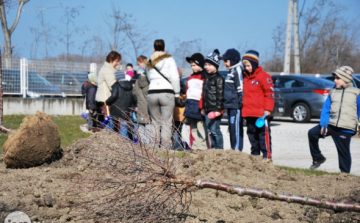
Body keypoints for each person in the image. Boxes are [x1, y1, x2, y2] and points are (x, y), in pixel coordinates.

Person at [308, 66, 360, 173]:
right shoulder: (333, 92)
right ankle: (318, 158)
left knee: (343, 153)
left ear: (345, 79)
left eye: (337, 78)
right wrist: (324, 125)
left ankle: (345, 175)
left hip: (345, 128)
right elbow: (326, 109)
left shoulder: (356, 93)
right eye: (335, 78)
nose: (335, 80)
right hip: (331, 125)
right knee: (312, 133)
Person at [145, 39, 180, 149]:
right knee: (166, 123)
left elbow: (149, 77)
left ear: (153, 48)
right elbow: (175, 77)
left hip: (152, 92)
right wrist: (177, 93)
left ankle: (154, 148)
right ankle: (165, 149)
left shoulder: (149, 60)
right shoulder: (169, 59)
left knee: (155, 122)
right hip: (167, 92)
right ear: (164, 48)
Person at [241, 50, 275, 163]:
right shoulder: (245, 78)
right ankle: (255, 155)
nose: (247, 68)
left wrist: (268, 109)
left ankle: (267, 156)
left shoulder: (264, 77)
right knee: (251, 134)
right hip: (249, 112)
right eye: (245, 66)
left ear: (254, 64)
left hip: (261, 114)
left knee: (263, 135)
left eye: (249, 65)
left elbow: (270, 94)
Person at [219, 48, 244, 151]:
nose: (224, 64)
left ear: (233, 60)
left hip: (236, 106)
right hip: (230, 105)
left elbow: (241, 88)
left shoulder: (238, 70)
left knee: (236, 129)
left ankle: (237, 150)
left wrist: (240, 103)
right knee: (231, 129)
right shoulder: (231, 71)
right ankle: (233, 149)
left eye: (226, 61)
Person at [200, 49, 224, 150]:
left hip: (215, 110)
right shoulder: (206, 79)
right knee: (209, 130)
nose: (207, 67)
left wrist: (218, 110)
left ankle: (219, 149)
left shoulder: (219, 79)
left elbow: (220, 96)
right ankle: (212, 149)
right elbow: (204, 94)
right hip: (207, 109)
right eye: (206, 65)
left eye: (210, 65)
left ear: (216, 66)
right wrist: (203, 108)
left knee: (215, 130)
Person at [183, 53, 207, 150]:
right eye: (191, 65)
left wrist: (203, 106)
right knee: (193, 128)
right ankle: (195, 146)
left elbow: (205, 92)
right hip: (190, 105)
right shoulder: (191, 77)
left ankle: (202, 146)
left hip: (199, 105)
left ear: (200, 64)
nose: (192, 67)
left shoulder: (204, 77)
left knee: (201, 127)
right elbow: (187, 90)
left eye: (194, 65)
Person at [95, 51, 121, 128]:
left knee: (107, 118)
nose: (118, 63)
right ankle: (107, 136)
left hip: (105, 97)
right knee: (108, 118)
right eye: (116, 61)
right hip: (106, 98)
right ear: (111, 60)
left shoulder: (106, 69)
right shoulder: (107, 70)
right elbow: (112, 85)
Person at [132, 55, 152, 144]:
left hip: (140, 105)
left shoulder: (138, 79)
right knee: (149, 126)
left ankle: (141, 144)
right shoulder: (151, 80)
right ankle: (149, 145)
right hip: (149, 106)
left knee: (141, 126)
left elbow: (134, 93)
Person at [173, 67, 187, 150]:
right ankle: (178, 145)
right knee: (178, 131)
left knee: (175, 131)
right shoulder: (183, 84)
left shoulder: (176, 85)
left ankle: (178, 146)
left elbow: (179, 101)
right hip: (180, 114)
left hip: (176, 112)